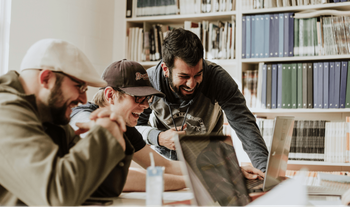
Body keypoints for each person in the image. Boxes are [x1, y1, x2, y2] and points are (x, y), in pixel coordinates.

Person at [0, 39, 132, 207]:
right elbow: (57, 194)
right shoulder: (5, 112)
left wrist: (115, 132)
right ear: (46, 78)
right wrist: (104, 134)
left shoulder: (51, 118)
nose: (84, 100)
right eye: (79, 87)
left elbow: (103, 189)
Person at [136, 28, 269, 172]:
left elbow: (245, 125)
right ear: (165, 69)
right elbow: (135, 127)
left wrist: (264, 172)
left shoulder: (218, 79)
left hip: (211, 164)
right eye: (184, 77)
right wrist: (159, 137)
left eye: (198, 74)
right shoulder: (149, 83)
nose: (191, 84)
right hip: (165, 165)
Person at [70, 59, 186, 191]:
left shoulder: (124, 126)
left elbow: (163, 166)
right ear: (110, 95)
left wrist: (206, 171)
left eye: (147, 98)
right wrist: (189, 182)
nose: (146, 106)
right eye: (138, 97)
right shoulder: (82, 116)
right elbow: (115, 177)